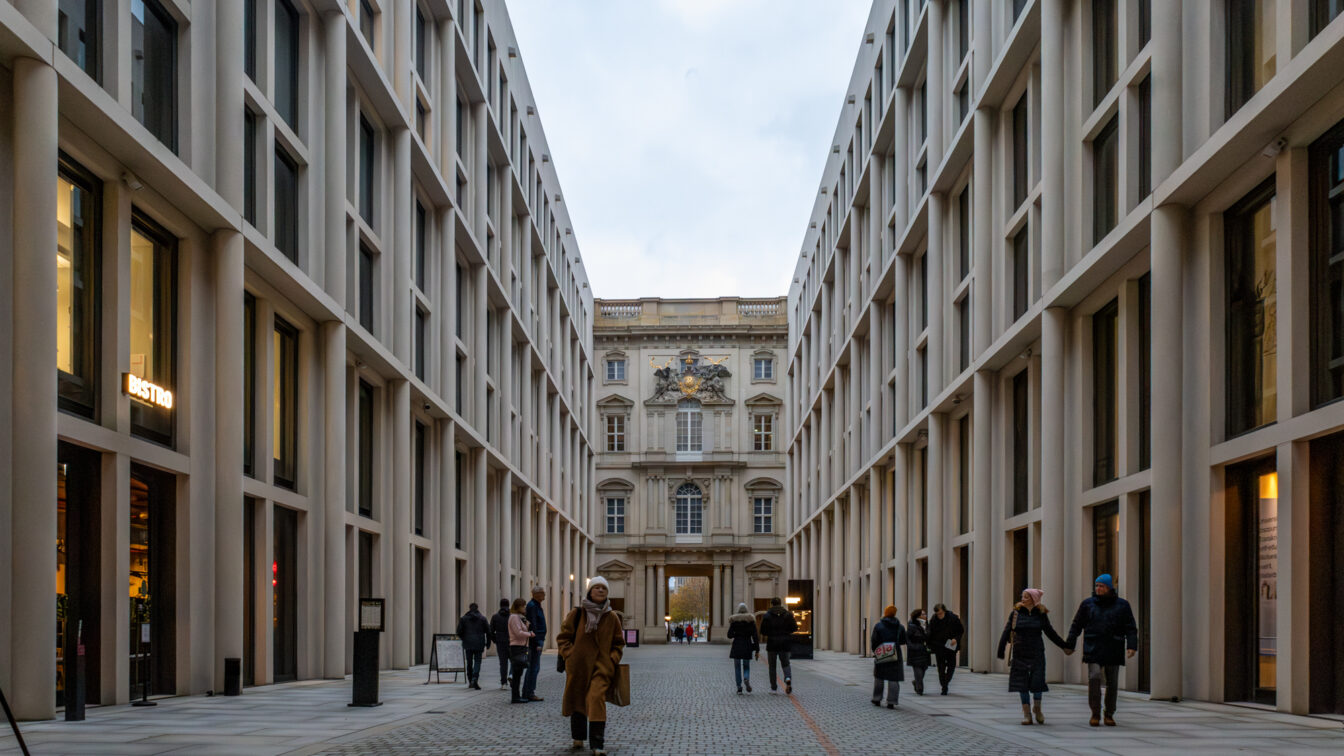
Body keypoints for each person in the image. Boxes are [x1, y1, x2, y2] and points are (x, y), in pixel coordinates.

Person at [558, 576, 625, 756]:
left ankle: (597, 744)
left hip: (602, 667)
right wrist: (569, 655)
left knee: (596, 699)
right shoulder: (577, 614)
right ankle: (578, 737)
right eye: (597, 587)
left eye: (604, 588)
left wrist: (612, 658)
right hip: (578, 666)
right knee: (578, 699)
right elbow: (563, 637)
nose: (601, 590)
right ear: (590, 591)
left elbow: (619, 643)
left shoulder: (612, 617)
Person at [1065, 574, 1139, 727]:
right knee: (1094, 677)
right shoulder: (1087, 604)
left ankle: (1109, 713)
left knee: (1112, 682)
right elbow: (1076, 625)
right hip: (1093, 647)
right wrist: (1070, 644)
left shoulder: (1122, 605)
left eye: (1102, 586)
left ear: (1109, 587)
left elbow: (1130, 627)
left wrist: (1132, 646)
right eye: (1097, 585)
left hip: (1114, 647)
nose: (1098, 588)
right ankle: (1095, 713)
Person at [997, 588, 1070, 725]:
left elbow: (1050, 632)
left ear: (1034, 600)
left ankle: (1037, 708)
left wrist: (1064, 646)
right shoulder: (1016, 613)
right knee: (1022, 684)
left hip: (1037, 652)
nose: (1022, 599)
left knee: (1038, 682)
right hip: (1020, 653)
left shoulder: (1041, 614)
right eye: (1022, 596)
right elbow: (1007, 631)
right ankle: (1027, 714)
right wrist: (1001, 650)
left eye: (1026, 597)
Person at [758, 597, 797, 694]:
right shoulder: (788, 614)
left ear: (772, 604)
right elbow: (794, 627)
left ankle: (774, 688)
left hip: (772, 644)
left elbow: (762, 631)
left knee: (772, 666)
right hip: (785, 643)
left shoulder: (767, 615)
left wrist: (770, 633)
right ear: (780, 603)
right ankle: (787, 678)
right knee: (786, 664)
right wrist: (786, 632)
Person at [870, 605, 906, 708]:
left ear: (885, 613)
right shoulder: (900, 626)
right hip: (895, 654)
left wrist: (876, 651)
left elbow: (874, 641)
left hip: (882, 652)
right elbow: (903, 641)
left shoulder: (879, 626)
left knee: (879, 676)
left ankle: (877, 699)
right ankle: (892, 701)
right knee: (894, 678)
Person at [928, 603, 965, 695]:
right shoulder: (934, 619)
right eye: (937, 614)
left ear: (944, 611)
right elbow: (930, 633)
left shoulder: (953, 618)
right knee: (941, 667)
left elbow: (960, 631)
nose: (939, 616)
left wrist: (955, 639)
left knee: (951, 666)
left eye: (940, 613)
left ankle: (946, 682)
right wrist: (930, 645)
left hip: (950, 646)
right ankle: (944, 686)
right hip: (939, 646)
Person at [455, 602, 492, 690]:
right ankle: (475, 678)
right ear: (477, 608)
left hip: (468, 643)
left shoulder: (464, 619)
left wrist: (464, 638)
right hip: (479, 643)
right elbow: (488, 632)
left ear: (469, 608)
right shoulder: (482, 619)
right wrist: (488, 643)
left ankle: (470, 679)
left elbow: (458, 632)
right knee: (477, 661)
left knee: (469, 662)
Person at [726, 602, 760, 694]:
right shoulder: (751, 621)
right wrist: (757, 649)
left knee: (737, 667)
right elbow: (755, 637)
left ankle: (739, 688)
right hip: (747, 644)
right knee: (746, 666)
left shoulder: (734, 621)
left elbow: (729, 635)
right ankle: (746, 678)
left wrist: (736, 634)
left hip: (737, 645)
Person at [507, 598, 534, 703]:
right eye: (523, 606)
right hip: (517, 647)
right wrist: (529, 634)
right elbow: (518, 633)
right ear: (518, 607)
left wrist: (526, 625)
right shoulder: (514, 617)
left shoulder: (519, 617)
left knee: (518, 673)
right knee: (517, 673)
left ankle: (516, 696)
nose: (525, 608)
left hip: (521, 646)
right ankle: (515, 697)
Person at [523, 587, 548, 702]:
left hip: (538, 639)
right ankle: (529, 692)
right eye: (542, 593)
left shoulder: (536, 605)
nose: (544, 595)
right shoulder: (533, 606)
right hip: (536, 641)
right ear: (536, 594)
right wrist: (537, 641)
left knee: (534, 667)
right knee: (534, 667)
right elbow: (533, 624)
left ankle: (528, 692)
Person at [906, 608, 931, 695]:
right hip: (915, 651)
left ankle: (916, 682)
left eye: (925, 614)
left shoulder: (926, 624)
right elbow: (908, 638)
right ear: (918, 616)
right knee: (918, 670)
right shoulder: (912, 625)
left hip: (924, 650)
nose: (925, 616)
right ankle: (919, 688)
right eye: (923, 614)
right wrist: (912, 646)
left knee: (924, 668)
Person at [490, 598, 512, 689]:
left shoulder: (495, 617)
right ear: (508, 605)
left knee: (503, 663)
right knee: (514, 661)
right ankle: (511, 675)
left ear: (500, 605)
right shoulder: (512, 616)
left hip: (500, 642)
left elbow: (491, 631)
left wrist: (495, 640)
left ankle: (503, 683)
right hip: (511, 641)